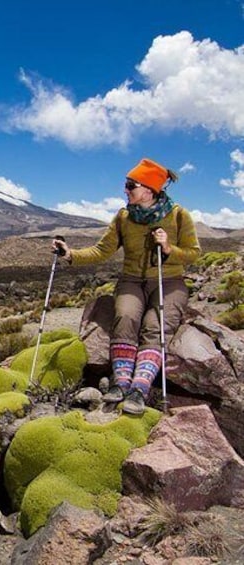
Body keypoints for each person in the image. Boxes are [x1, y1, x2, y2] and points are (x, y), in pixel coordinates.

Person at [52, 158, 201, 415]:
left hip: (169, 281)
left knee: (156, 326)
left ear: (149, 189)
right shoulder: (123, 217)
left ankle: (139, 389)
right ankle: (120, 383)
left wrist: (168, 248)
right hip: (131, 280)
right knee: (125, 316)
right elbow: (102, 250)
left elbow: (193, 253)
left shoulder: (178, 215)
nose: (125, 190)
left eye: (130, 185)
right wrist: (69, 255)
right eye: (126, 185)